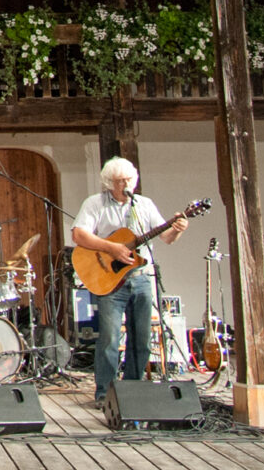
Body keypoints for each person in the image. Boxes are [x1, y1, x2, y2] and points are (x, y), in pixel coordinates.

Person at [71, 156, 188, 405]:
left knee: (141, 339)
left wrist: (177, 229)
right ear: (108, 183)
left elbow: (166, 237)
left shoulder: (144, 204)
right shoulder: (95, 203)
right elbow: (79, 235)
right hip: (111, 282)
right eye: (119, 181)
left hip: (141, 279)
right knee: (109, 340)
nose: (126, 185)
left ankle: (133, 392)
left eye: (129, 180)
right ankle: (105, 394)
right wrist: (111, 248)